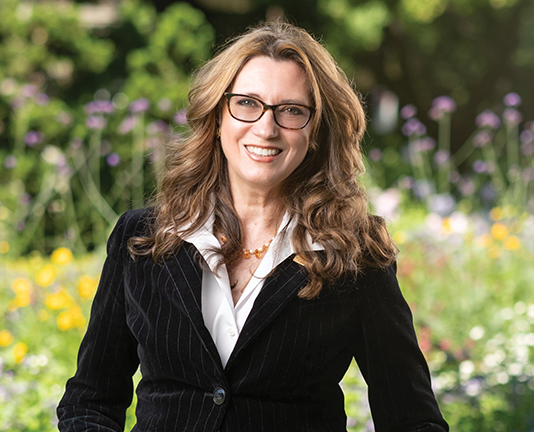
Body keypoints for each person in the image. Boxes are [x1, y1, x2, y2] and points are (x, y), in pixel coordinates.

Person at [57, 21, 449, 432]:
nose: (266, 127)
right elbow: (90, 402)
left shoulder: (353, 254)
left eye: (292, 111)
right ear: (218, 116)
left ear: (316, 130)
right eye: (247, 103)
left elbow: (412, 419)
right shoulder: (142, 237)